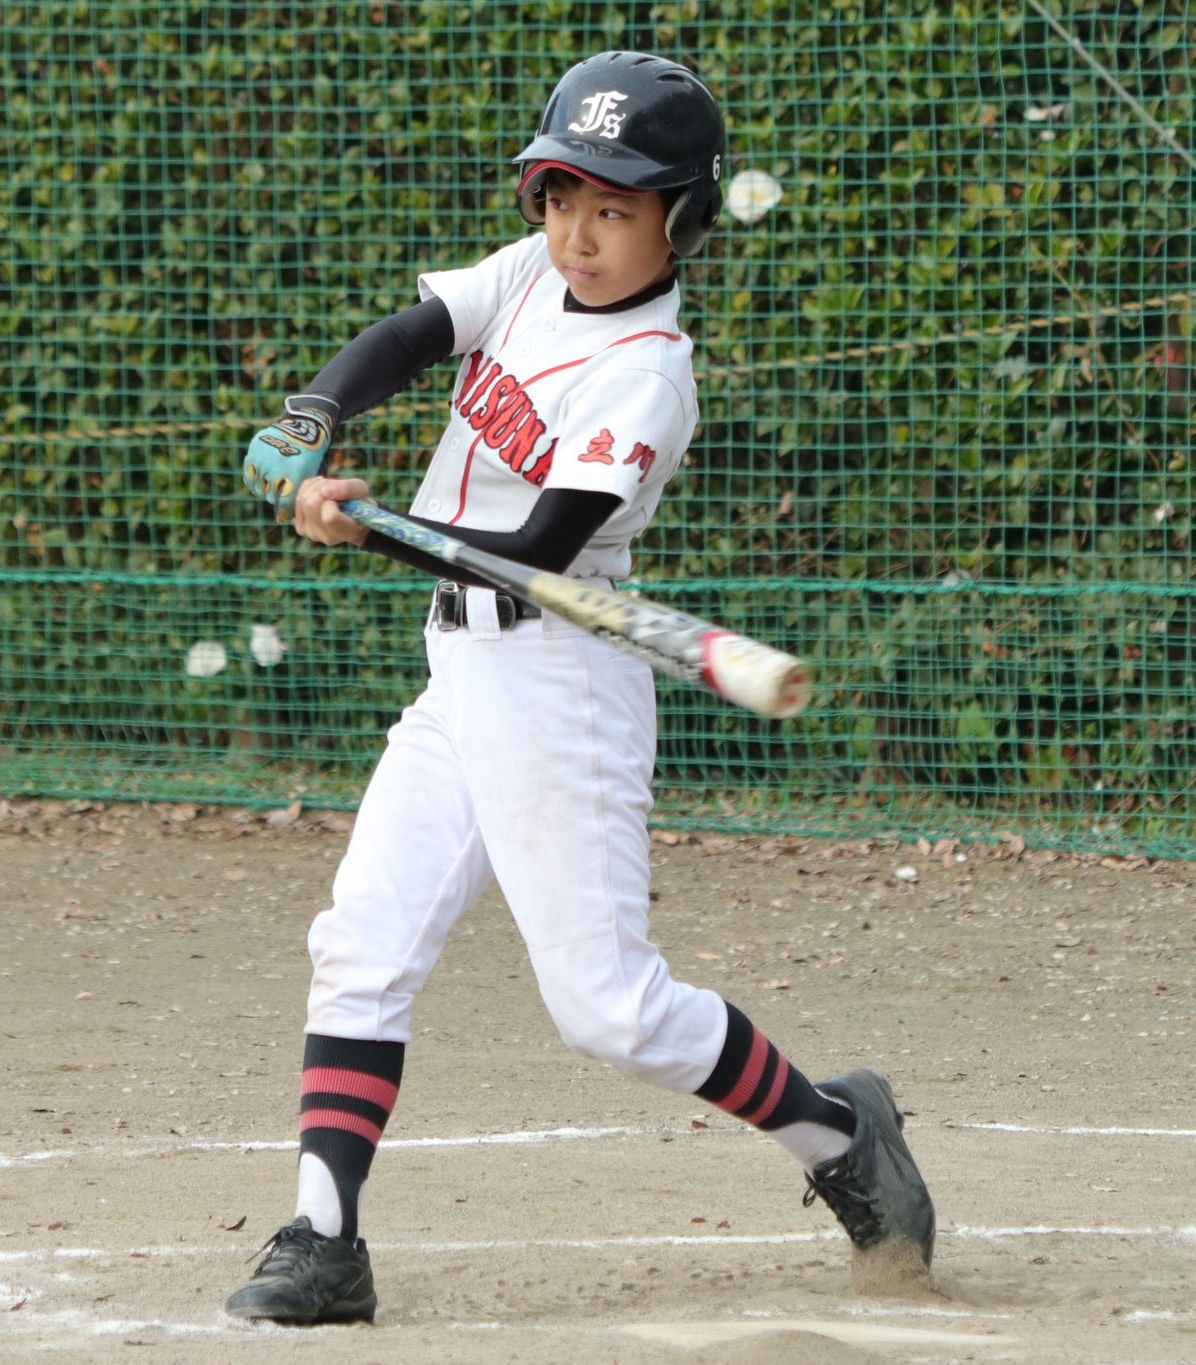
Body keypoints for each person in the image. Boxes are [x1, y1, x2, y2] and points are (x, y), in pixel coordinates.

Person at [227, 51, 935, 1326]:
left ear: (682, 220)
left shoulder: (646, 372)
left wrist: (360, 524)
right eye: (559, 199)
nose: (577, 235)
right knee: (360, 943)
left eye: (614, 208)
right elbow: (411, 335)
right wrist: (313, 414)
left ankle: (837, 1133)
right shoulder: (530, 273)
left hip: (560, 684)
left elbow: (540, 549)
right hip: (460, 669)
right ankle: (323, 1243)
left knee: (610, 1014)